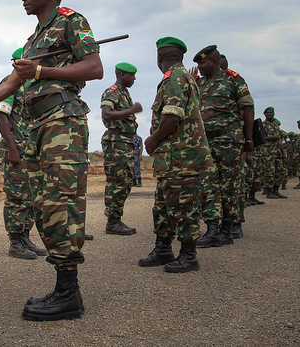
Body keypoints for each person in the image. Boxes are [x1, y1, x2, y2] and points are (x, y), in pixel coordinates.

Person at [0, 0, 104, 321]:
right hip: (38, 128)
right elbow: (9, 86)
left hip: (63, 123)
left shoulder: (70, 21)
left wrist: (42, 71)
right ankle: (65, 288)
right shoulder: (36, 37)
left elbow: (94, 68)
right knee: (45, 207)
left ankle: (69, 293)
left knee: (61, 204)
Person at [138, 37, 212, 273]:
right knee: (162, 205)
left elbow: (171, 116)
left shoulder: (175, 78)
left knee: (182, 206)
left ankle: (189, 255)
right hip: (172, 159)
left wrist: (153, 139)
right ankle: (163, 249)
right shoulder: (182, 77)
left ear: (159, 57)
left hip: (182, 158)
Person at [193, 46, 254, 246]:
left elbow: (247, 108)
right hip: (205, 143)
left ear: (214, 61)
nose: (199, 67)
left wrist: (248, 140)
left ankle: (227, 229)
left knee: (230, 186)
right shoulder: (199, 83)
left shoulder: (233, 80)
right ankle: (212, 230)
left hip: (229, 141)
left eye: (203, 63)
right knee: (207, 185)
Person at [0, 48, 47, 260]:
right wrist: (13, 149)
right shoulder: (10, 83)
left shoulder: (32, 85)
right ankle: (15, 242)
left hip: (32, 151)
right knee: (16, 195)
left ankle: (25, 236)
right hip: (17, 150)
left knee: (30, 196)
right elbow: (1, 116)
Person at [100, 62, 142, 235]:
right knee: (116, 182)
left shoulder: (124, 93)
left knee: (125, 182)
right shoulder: (113, 91)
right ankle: (112, 222)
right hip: (116, 142)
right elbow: (106, 114)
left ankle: (116, 219)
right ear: (122, 75)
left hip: (125, 142)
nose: (134, 78)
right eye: (131, 75)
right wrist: (131, 110)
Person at [261, 108, 287, 199]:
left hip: (278, 152)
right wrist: (272, 137)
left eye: (271, 112)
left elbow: (280, 139)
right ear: (264, 114)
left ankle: (276, 191)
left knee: (279, 172)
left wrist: (283, 153)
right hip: (268, 153)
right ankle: (269, 192)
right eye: (267, 112)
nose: (269, 114)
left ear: (274, 114)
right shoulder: (263, 125)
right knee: (269, 172)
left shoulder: (275, 125)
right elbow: (261, 138)